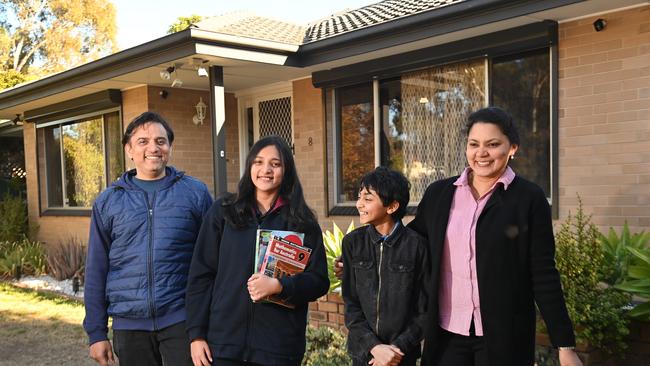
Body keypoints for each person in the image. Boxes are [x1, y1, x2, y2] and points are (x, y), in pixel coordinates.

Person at [335, 107, 582, 366]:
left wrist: (564, 345)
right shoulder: (440, 194)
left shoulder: (529, 199)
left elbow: (543, 274)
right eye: (474, 144)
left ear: (512, 148)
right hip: (446, 334)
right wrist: (356, 262)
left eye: (493, 144)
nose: (481, 153)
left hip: (504, 337)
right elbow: (407, 243)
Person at [185, 135, 329, 366]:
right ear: (249, 166)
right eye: (258, 162)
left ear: (286, 170)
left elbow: (319, 280)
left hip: (278, 349)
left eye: (276, 163)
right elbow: (201, 275)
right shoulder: (223, 212)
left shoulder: (301, 222)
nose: (266, 170)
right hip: (223, 346)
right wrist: (197, 334)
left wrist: (281, 286)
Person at [83, 111, 213, 366]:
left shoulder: (195, 193)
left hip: (182, 320)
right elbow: (97, 269)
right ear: (129, 149)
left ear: (170, 147)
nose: (153, 147)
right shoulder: (108, 201)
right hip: (129, 325)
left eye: (160, 141)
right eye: (143, 141)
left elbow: (213, 259)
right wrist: (96, 333)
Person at [342, 167, 429, 366]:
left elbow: (424, 309)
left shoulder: (417, 246)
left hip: (401, 356)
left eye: (368, 198)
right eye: (359, 197)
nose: (359, 204)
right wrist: (374, 347)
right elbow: (351, 303)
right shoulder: (352, 243)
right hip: (363, 354)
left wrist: (395, 350)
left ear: (391, 207)